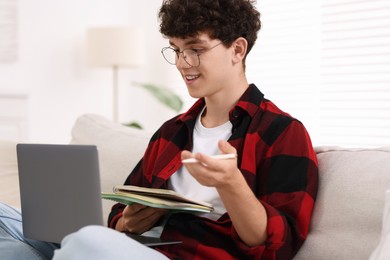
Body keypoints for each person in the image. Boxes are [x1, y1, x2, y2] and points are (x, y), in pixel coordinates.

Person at [0, 0, 318, 259]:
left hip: (191, 256)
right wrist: (128, 222)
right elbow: (120, 217)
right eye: (177, 49)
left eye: (196, 49)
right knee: (10, 236)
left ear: (237, 50)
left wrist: (232, 184)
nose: (182, 63)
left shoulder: (282, 132)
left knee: (87, 241)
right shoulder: (172, 131)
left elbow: (279, 247)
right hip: (137, 248)